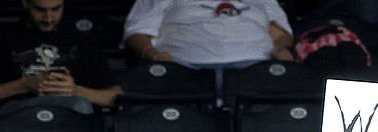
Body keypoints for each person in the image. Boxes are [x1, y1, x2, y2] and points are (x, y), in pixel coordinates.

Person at [0, 0, 122, 112]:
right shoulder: (0, 36)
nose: (48, 18)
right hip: (16, 114)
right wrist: (24, 85)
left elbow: (116, 98)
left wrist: (74, 90)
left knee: (79, 105)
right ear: (25, 3)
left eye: (55, 9)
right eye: (40, 10)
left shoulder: (81, 40)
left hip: (71, 113)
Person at [123, 0, 295, 67]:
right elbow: (137, 31)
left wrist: (281, 48)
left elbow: (280, 34)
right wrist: (150, 53)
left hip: (255, 65)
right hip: (185, 66)